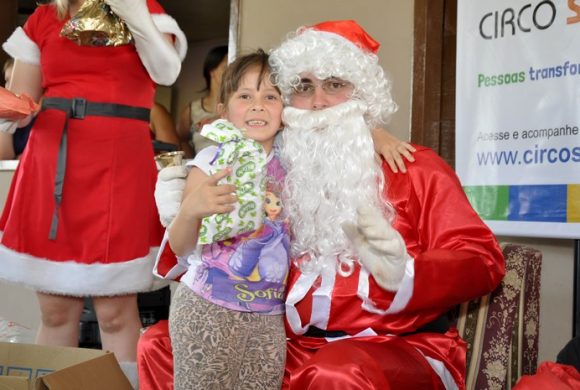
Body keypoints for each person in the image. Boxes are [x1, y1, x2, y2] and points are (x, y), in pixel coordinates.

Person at [0, 0, 187, 387]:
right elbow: (21, 100)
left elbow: (166, 71)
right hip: (53, 162)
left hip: (121, 160)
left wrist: (133, 12)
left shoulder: (146, 8)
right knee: (54, 312)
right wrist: (10, 111)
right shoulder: (44, 17)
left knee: (116, 312)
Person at [163, 49, 289, 389]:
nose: (258, 105)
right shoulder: (210, 162)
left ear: (286, 111)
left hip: (268, 317)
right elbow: (180, 246)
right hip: (206, 307)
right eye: (245, 96)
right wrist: (191, 210)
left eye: (271, 96)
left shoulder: (294, 167)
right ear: (223, 112)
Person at [177, 45, 228, 158]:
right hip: (200, 171)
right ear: (212, 71)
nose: (230, 73)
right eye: (226, 67)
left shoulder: (237, 107)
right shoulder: (191, 110)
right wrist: (193, 162)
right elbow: (181, 140)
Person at [0, 58, 32, 160]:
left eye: (15, 80)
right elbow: (4, 156)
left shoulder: (44, 114)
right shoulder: (4, 113)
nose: (10, 87)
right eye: (7, 81)